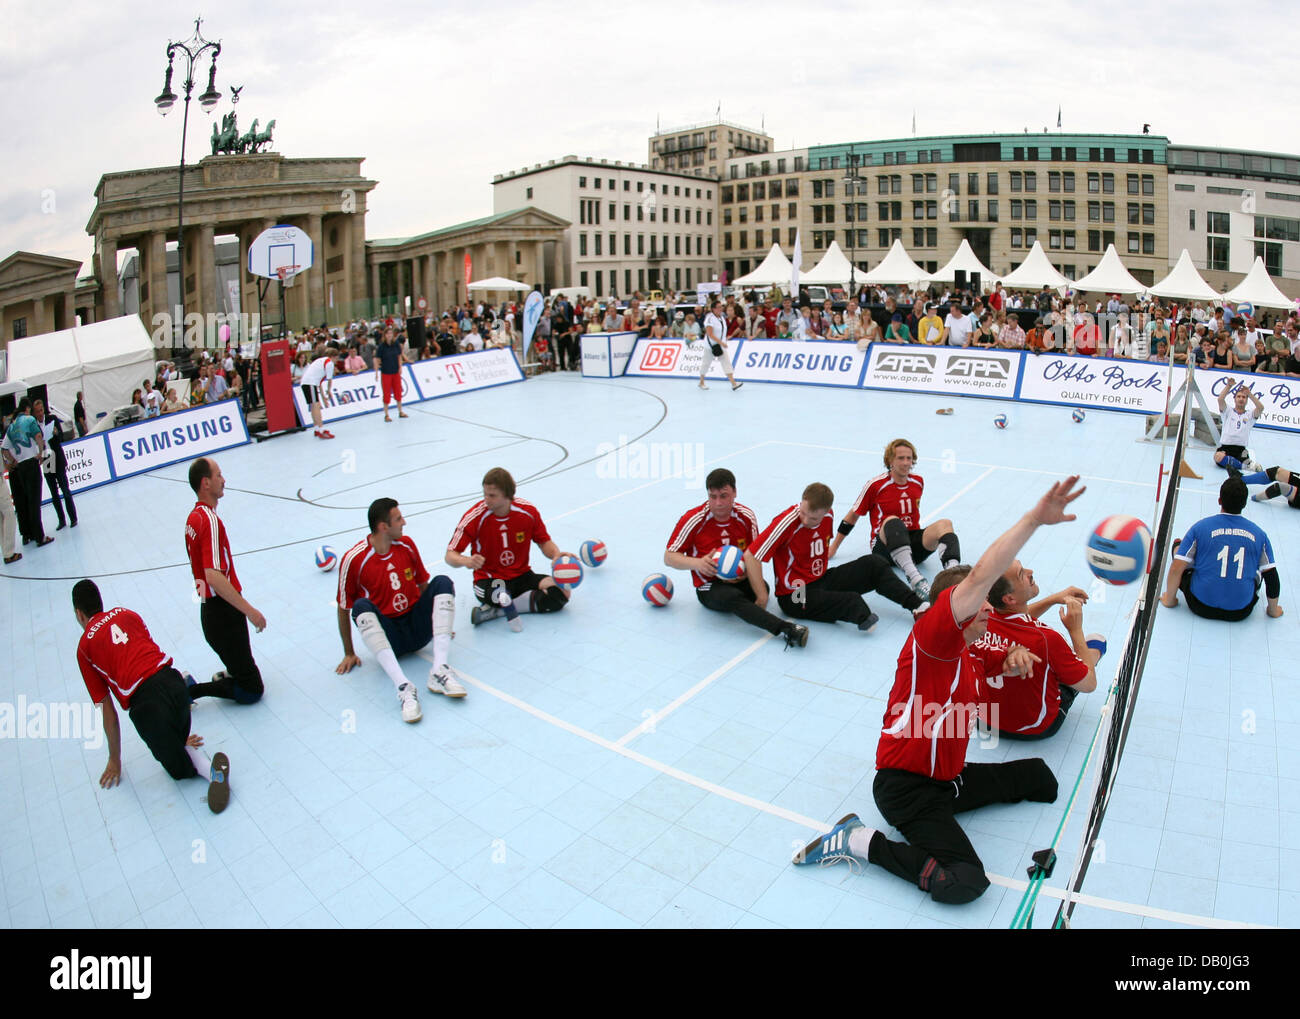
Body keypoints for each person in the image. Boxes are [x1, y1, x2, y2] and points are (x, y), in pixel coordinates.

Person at [794, 477, 1085, 904]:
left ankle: (939, 818)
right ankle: (858, 841)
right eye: (981, 600)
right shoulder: (933, 640)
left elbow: (996, 657)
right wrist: (1033, 520)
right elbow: (982, 576)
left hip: (948, 778)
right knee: (966, 882)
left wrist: (1014, 657)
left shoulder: (972, 645)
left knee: (1040, 778)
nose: (990, 606)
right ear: (959, 608)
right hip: (906, 789)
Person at [72, 579, 231, 813]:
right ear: (100, 601)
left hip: (148, 706)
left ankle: (210, 771)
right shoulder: (126, 613)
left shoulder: (85, 648)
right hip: (175, 683)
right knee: (174, 737)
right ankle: (182, 746)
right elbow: (148, 651)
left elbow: (108, 711)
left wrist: (114, 760)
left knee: (178, 771)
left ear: (79, 614)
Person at [335, 498, 464, 722]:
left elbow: (424, 585)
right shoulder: (354, 559)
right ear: (383, 527)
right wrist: (349, 652)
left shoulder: (406, 545)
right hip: (390, 638)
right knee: (360, 606)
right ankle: (404, 687)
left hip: (417, 630)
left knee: (442, 581)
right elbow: (343, 606)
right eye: (398, 519)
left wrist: (439, 623)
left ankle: (439, 669)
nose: (404, 522)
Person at [665, 468, 809, 649]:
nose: (718, 503)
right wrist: (698, 563)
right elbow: (669, 557)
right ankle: (785, 629)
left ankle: (748, 609)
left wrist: (757, 589)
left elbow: (754, 556)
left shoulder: (746, 517)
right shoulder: (694, 519)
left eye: (724, 496)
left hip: (740, 579)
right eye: (713, 496)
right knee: (730, 596)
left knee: (762, 587)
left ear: (735, 493)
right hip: (709, 585)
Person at [752, 482, 925, 633]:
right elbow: (752, 556)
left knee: (875, 563)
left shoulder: (828, 516)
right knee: (852, 601)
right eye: (803, 513)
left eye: (812, 518)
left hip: (821, 579)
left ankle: (918, 606)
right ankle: (861, 617)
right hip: (795, 594)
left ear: (826, 511)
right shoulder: (788, 522)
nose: (804, 520)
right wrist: (762, 596)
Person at [977, 563, 1100, 740]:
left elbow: (1015, 619)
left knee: (1049, 657)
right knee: (1095, 642)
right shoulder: (1047, 639)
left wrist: (1053, 599)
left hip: (983, 720)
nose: (1030, 572)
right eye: (1021, 574)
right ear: (1010, 598)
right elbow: (1089, 685)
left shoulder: (978, 621)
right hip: (1035, 727)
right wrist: (1076, 630)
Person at [827, 438, 961, 601]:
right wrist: (834, 547)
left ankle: (954, 578)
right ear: (890, 460)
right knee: (892, 521)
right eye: (901, 458)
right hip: (884, 547)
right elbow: (853, 515)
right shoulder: (876, 485)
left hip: (911, 545)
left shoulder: (918, 482)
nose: (906, 463)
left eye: (909, 458)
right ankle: (916, 580)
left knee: (945, 524)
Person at [184, 457, 267, 704]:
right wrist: (250, 611)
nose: (224, 480)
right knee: (253, 690)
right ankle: (190, 691)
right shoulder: (209, 520)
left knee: (240, 666)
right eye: (219, 475)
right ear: (205, 483)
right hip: (223, 615)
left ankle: (228, 674)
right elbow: (213, 576)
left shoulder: (193, 518)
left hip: (210, 612)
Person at [447, 467, 570, 628]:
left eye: (492, 495)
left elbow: (544, 541)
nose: (486, 499)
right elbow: (450, 555)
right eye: (484, 494)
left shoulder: (527, 512)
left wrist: (556, 554)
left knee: (562, 593)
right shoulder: (475, 517)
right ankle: (510, 603)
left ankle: (497, 611)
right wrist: (467, 561)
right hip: (489, 581)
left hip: (522, 576)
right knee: (501, 593)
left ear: (507, 495)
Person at [1161, 476, 1282, 621]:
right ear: (1244, 504)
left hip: (1199, 605)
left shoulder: (1200, 527)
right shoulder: (1259, 534)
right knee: (1262, 569)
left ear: (1219, 500)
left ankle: (1178, 547)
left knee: (1180, 552)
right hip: (1240, 611)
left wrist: (1169, 599)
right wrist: (1273, 610)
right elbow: (1272, 577)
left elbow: (1176, 568)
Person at [2, 397, 51, 548]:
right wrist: (41, 452)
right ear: (28, 409)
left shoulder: (11, 426)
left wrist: (12, 462)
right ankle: (40, 536)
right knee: (35, 501)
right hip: (31, 462)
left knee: (28, 501)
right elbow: (38, 436)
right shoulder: (29, 420)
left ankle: (30, 533)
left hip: (20, 467)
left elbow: (4, 449)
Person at [32, 398, 77, 530]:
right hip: (47, 458)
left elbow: (61, 437)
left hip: (56, 456)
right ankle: (61, 520)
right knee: (54, 493)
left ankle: (73, 518)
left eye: (41, 410)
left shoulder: (52, 419)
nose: (40, 413)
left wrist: (56, 433)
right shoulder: (34, 425)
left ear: (43, 410)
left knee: (65, 489)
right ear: (34, 413)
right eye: (37, 411)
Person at [1213, 378, 1264, 473]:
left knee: (1228, 460)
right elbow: (1220, 399)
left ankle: (1238, 463)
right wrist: (1229, 386)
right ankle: (1244, 466)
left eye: (1244, 397)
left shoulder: (1250, 415)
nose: (1241, 399)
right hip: (1225, 448)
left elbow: (1261, 408)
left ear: (1247, 400)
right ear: (1235, 399)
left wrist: (1250, 394)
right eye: (1239, 397)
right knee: (1217, 457)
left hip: (1241, 450)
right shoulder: (1228, 411)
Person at [699, 299, 743, 392]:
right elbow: (710, 334)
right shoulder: (710, 318)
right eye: (718, 307)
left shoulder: (722, 318)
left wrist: (723, 341)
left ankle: (733, 383)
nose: (721, 309)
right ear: (713, 309)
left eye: (721, 307)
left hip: (721, 344)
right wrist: (721, 342)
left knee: (726, 362)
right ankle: (701, 381)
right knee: (706, 363)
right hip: (711, 345)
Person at [373, 327, 409, 423]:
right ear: (384, 335)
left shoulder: (396, 344)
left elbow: (399, 356)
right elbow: (376, 359)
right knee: (387, 394)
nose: (389, 335)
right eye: (387, 333)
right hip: (386, 373)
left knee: (398, 392)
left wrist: (400, 367)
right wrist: (376, 372)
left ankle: (400, 411)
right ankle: (386, 414)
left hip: (395, 372)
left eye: (391, 333)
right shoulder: (381, 347)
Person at [300, 349, 337, 439]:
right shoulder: (329, 363)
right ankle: (321, 430)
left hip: (306, 383)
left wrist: (324, 397)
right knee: (316, 406)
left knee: (313, 406)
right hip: (310, 383)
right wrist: (329, 391)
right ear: (334, 357)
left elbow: (319, 383)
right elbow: (329, 380)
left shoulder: (320, 361)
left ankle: (317, 429)